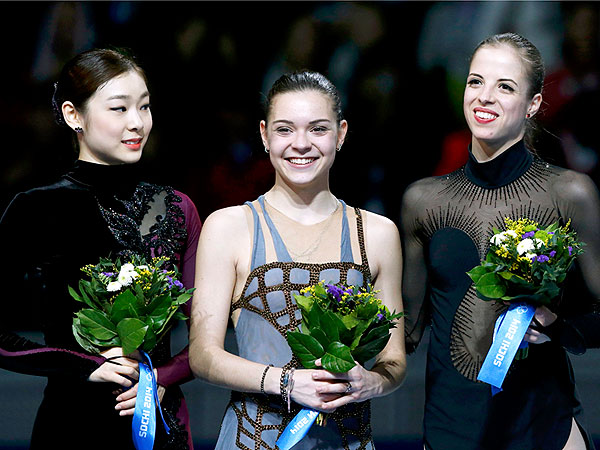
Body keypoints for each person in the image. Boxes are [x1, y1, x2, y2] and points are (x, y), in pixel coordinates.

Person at [400, 32, 600, 450]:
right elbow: (408, 330)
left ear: (533, 104)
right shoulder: (423, 201)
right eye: (476, 82)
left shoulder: (568, 193)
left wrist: (556, 327)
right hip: (449, 430)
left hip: (541, 428)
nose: (484, 97)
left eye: (504, 86)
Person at [189, 71, 406, 449]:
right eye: (285, 129)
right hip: (253, 438)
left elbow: (394, 359)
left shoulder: (378, 233)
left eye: (318, 129)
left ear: (340, 134)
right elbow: (203, 355)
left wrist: (372, 382)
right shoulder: (228, 227)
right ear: (264, 134)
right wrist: (288, 382)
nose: (301, 144)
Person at [0, 48, 201, 449]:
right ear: (74, 115)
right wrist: (86, 366)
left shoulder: (178, 208)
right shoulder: (36, 208)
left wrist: (159, 378)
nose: (136, 122)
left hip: (157, 420)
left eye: (144, 107)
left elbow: (206, 339)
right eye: (119, 108)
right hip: (71, 424)